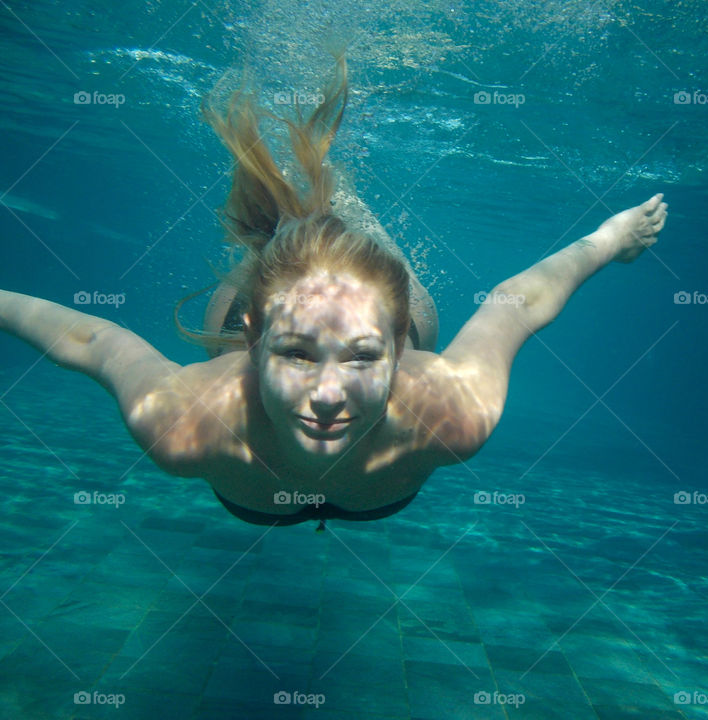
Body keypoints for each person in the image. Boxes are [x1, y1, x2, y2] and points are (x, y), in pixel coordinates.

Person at [0, 57, 667, 530]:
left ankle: (332, 196)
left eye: (362, 357)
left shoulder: (451, 416)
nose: (327, 394)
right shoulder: (186, 423)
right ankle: (304, 219)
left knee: (346, 229)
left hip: (385, 329)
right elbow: (93, 341)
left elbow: (514, 305)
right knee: (278, 248)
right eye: (294, 353)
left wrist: (609, 241)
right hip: (267, 321)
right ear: (255, 340)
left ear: (400, 351)